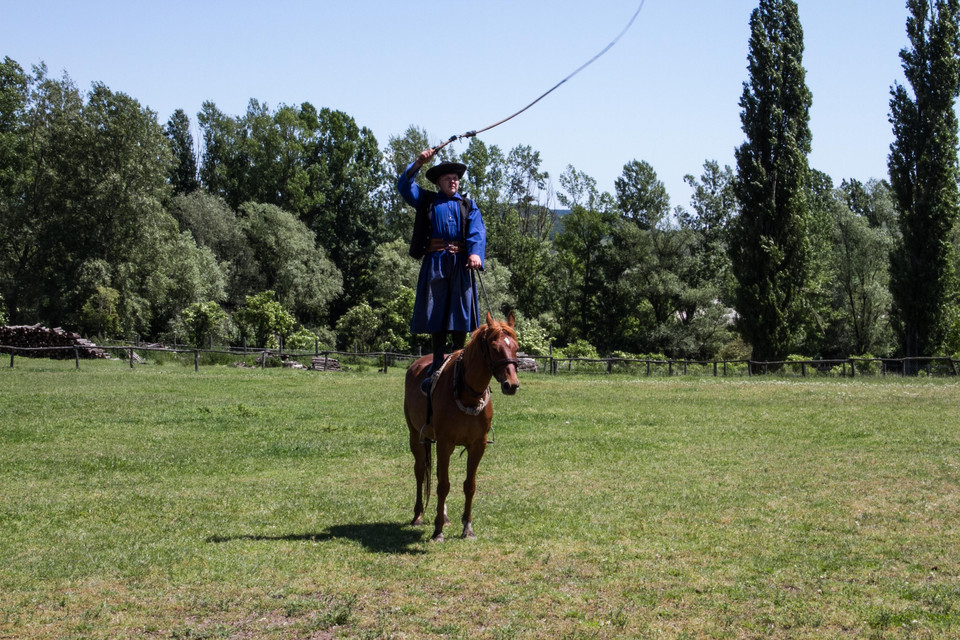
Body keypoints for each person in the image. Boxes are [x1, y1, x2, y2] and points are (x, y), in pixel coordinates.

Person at [397, 147, 486, 394]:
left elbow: (478, 231)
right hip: (435, 263)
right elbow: (404, 187)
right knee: (436, 311)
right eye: (448, 179)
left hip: (460, 265)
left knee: (460, 312)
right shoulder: (427, 200)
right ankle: (437, 362)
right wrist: (417, 163)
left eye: (456, 178)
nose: (454, 181)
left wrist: (476, 252)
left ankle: (459, 359)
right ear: (438, 182)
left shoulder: (468, 205)